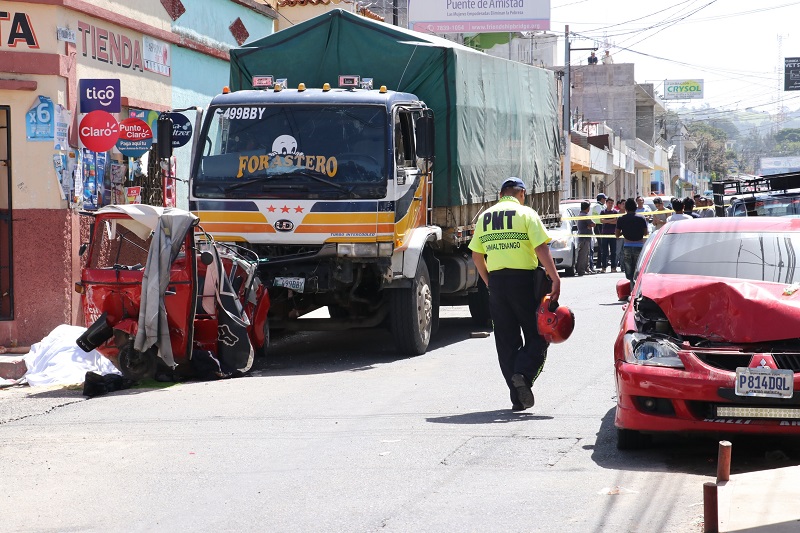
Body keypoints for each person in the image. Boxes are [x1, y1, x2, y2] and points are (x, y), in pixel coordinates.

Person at [469, 177, 561, 412]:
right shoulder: (526, 214)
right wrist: (555, 277)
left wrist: (489, 281)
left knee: (506, 341)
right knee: (539, 334)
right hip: (524, 282)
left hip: (497, 283)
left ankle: (518, 398)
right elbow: (541, 247)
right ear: (521, 193)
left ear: (501, 195)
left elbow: (477, 256)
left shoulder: (485, 217)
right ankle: (523, 374)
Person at [615, 198, 649, 290]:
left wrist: (624, 232)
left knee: (629, 270)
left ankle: (632, 289)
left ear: (625, 208)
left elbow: (617, 235)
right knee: (639, 268)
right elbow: (646, 233)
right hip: (639, 246)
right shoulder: (641, 218)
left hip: (627, 246)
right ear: (635, 207)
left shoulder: (621, 219)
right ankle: (639, 289)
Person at [599, 197, 618, 272]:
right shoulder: (603, 212)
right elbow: (601, 220)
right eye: (609, 203)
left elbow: (616, 222)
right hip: (605, 233)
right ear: (606, 203)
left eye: (611, 203)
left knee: (613, 252)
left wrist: (607, 221)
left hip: (613, 233)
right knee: (604, 252)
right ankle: (603, 267)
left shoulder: (615, 212)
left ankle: (613, 267)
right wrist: (611, 220)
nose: (610, 204)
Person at [576, 201, 595, 276]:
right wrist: (590, 226)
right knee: (583, 255)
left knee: (586, 254)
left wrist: (589, 226)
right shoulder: (584, 215)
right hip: (584, 238)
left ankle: (586, 268)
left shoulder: (581, 214)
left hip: (584, 238)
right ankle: (581, 271)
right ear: (587, 208)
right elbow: (593, 224)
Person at [590, 193, 606, 271]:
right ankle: (599, 263)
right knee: (601, 245)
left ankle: (601, 262)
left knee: (602, 245)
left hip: (602, 226)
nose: (605, 200)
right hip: (598, 226)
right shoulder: (597, 206)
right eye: (604, 199)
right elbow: (603, 215)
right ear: (601, 199)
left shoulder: (602, 206)